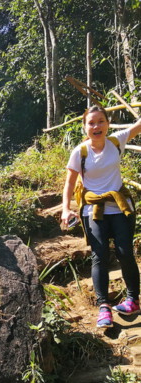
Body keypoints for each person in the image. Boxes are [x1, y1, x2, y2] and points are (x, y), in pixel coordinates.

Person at [61, 105, 141, 328]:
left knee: (125, 252)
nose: (96, 126)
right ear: (85, 127)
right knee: (100, 255)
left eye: (101, 121)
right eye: (91, 123)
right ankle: (104, 306)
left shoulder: (116, 141)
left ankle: (133, 300)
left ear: (108, 123)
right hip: (93, 210)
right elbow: (69, 183)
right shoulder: (80, 152)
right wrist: (66, 209)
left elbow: (138, 126)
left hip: (119, 207)